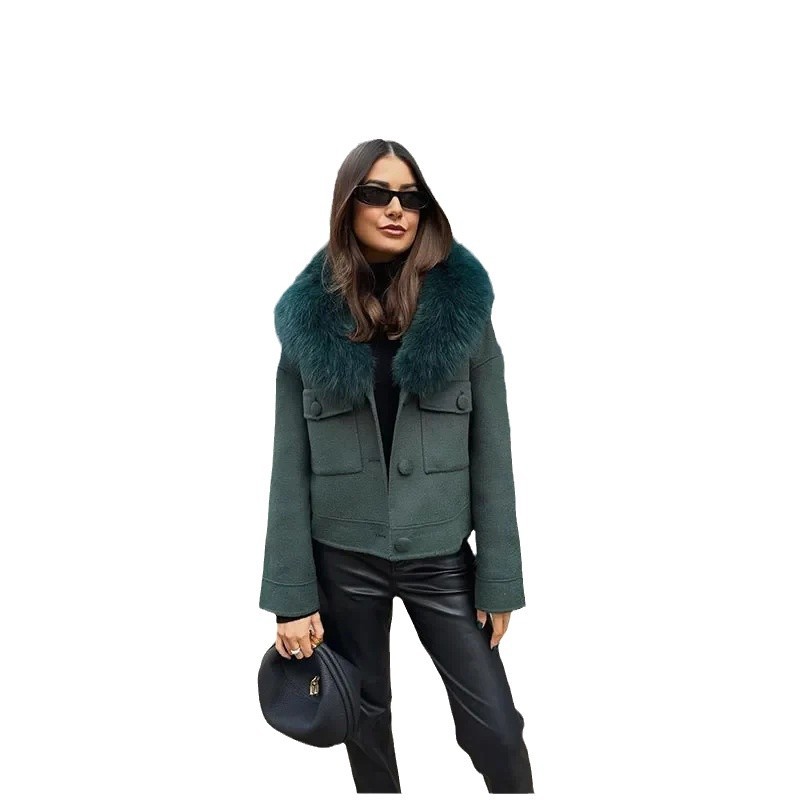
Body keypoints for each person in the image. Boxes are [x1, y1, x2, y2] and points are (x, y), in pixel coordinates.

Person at [259, 138, 534, 793]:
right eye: (377, 194)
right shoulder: (307, 324)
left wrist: (499, 578)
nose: (395, 209)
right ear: (347, 206)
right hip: (342, 559)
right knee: (366, 723)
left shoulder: (463, 313)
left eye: (410, 198)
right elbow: (287, 470)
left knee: (496, 727)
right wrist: (291, 598)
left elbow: (493, 451)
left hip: (442, 559)